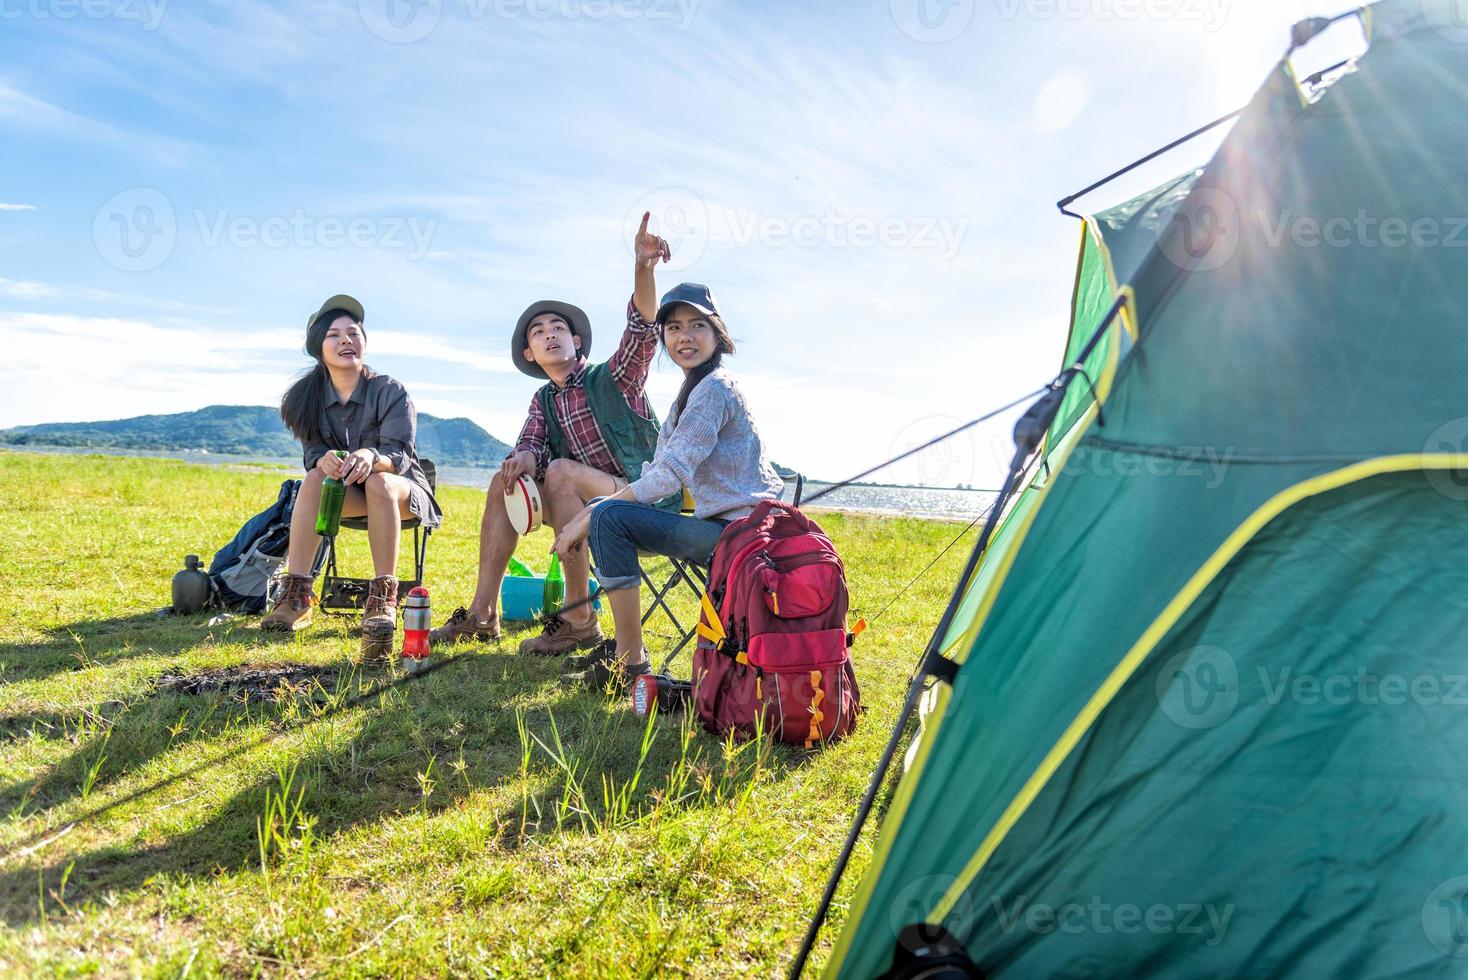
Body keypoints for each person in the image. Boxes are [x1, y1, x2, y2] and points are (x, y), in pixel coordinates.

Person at [430, 213, 678, 655]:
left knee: (561, 471)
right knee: (503, 481)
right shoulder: (543, 399)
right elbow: (530, 442)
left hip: (643, 497)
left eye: (558, 328)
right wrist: (523, 459)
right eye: (539, 333)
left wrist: (643, 267)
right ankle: (483, 615)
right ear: (530, 352)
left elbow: (641, 330)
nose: (550, 336)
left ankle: (579, 618)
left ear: (577, 342)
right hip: (583, 504)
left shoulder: (614, 377)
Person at [552, 280, 783, 691]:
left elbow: (668, 474)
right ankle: (627, 656)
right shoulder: (689, 394)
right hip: (722, 530)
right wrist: (600, 508)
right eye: (673, 328)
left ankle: (630, 662)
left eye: (697, 326)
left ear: (717, 333)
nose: (684, 337)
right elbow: (656, 469)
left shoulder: (715, 389)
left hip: (742, 538)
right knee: (610, 513)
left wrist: (590, 513)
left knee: (608, 515)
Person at [261, 294, 442, 660]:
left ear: (363, 341)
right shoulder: (305, 398)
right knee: (312, 479)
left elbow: (400, 455)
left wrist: (370, 456)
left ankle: (382, 598)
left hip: (401, 491)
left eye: (353, 332)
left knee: (379, 482)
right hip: (347, 493)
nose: (346, 340)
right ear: (319, 349)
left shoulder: (390, 390)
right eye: (334, 335)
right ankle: (297, 595)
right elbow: (311, 453)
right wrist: (323, 460)